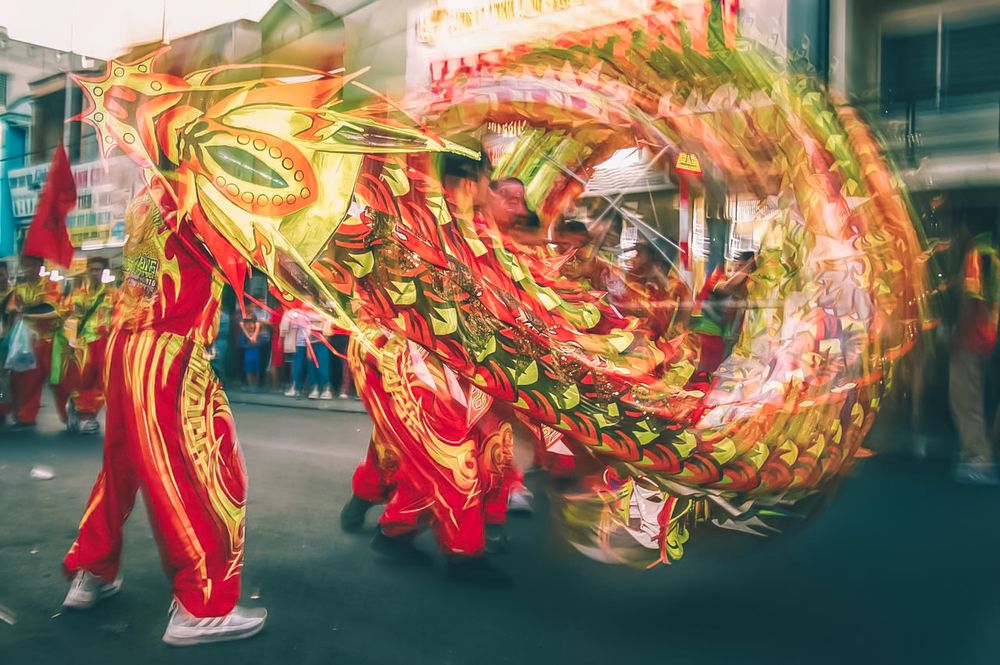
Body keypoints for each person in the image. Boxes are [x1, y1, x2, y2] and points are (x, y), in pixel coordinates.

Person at [62, 185, 266, 645]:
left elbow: (144, 275)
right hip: (167, 351)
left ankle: (93, 568)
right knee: (202, 474)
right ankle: (201, 607)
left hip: (127, 344)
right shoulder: (201, 193)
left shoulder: (146, 197)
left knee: (122, 466)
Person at [950, 230, 1000, 485]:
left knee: (966, 397)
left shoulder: (978, 249)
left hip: (975, 336)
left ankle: (978, 459)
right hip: (988, 334)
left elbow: (971, 295)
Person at [5, 254, 69, 428]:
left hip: (51, 341)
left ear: (41, 266)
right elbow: (11, 308)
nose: (30, 269)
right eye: (27, 265)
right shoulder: (20, 288)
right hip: (28, 342)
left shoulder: (51, 285)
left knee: (59, 381)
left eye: (34, 265)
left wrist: (25, 311)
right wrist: (19, 310)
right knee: (26, 380)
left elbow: (52, 309)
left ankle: (69, 414)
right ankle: (25, 416)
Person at [62, 256, 116, 434]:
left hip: (104, 342)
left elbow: (117, 319)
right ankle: (76, 408)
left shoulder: (112, 295)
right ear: (87, 271)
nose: (95, 273)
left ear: (104, 271)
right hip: (84, 344)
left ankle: (90, 416)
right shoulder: (79, 295)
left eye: (98, 269)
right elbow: (73, 318)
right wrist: (71, 343)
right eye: (92, 269)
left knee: (101, 382)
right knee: (83, 380)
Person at [690, 250, 756, 379]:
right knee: (705, 374)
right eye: (737, 265)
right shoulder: (720, 280)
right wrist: (751, 263)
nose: (737, 269)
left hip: (728, 339)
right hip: (708, 337)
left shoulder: (747, 288)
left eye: (741, 266)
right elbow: (727, 286)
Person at [0, 260, 13, 426]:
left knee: (2, 378)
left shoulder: (14, 295)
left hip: (5, 341)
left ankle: (2, 408)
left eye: (2, 275)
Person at [238, 312, 264, 391]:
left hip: (256, 355)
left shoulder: (258, 333)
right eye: (247, 323)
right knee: (248, 371)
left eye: (251, 323)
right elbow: (243, 345)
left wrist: (252, 342)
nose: (250, 325)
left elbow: (260, 343)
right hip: (248, 356)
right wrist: (251, 343)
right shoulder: (242, 334)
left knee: (256, 371)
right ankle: (251, 385)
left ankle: (255, 385)